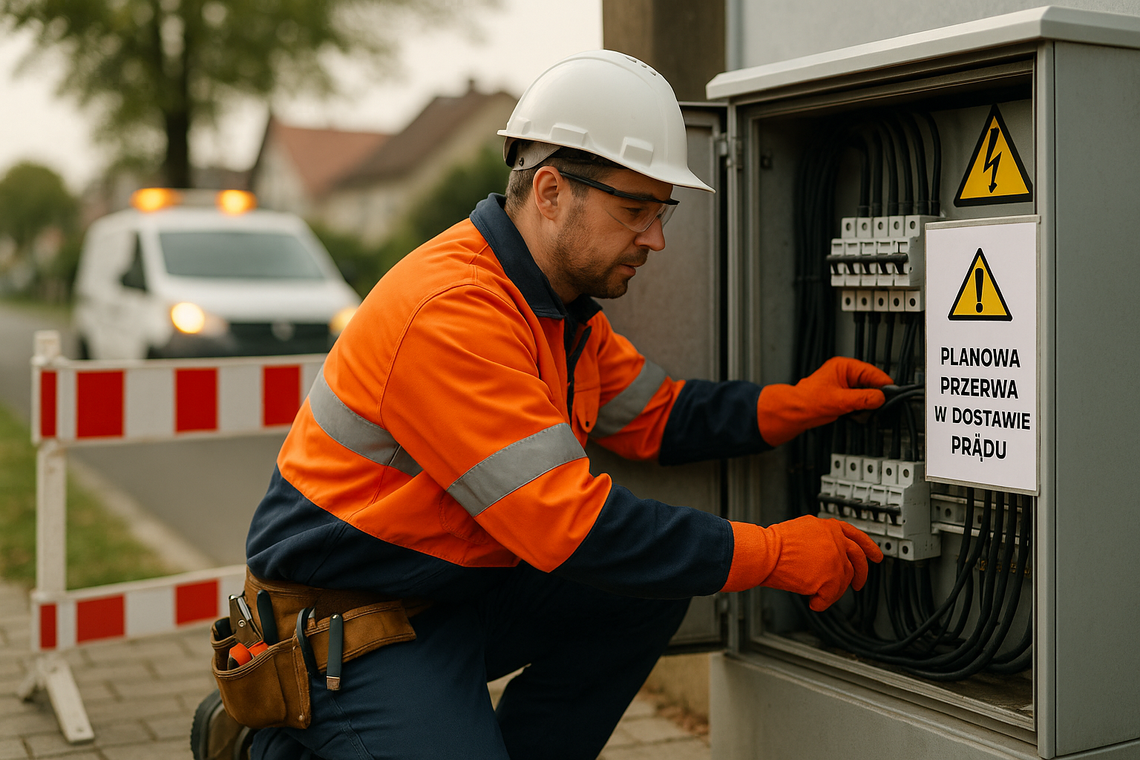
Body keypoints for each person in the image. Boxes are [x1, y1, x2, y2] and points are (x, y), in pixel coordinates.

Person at [200, 50, 890, 760]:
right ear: (553, 192)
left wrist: (797, 403)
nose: (655, 237)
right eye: (635, 210)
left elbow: (661, 415)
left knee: (647, 593)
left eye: (662, 211)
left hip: (452, 591)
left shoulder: (559, 315)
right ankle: (268, 739)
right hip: (351, 617)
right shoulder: (454, 311)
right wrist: (772, 552)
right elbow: (574, 525)